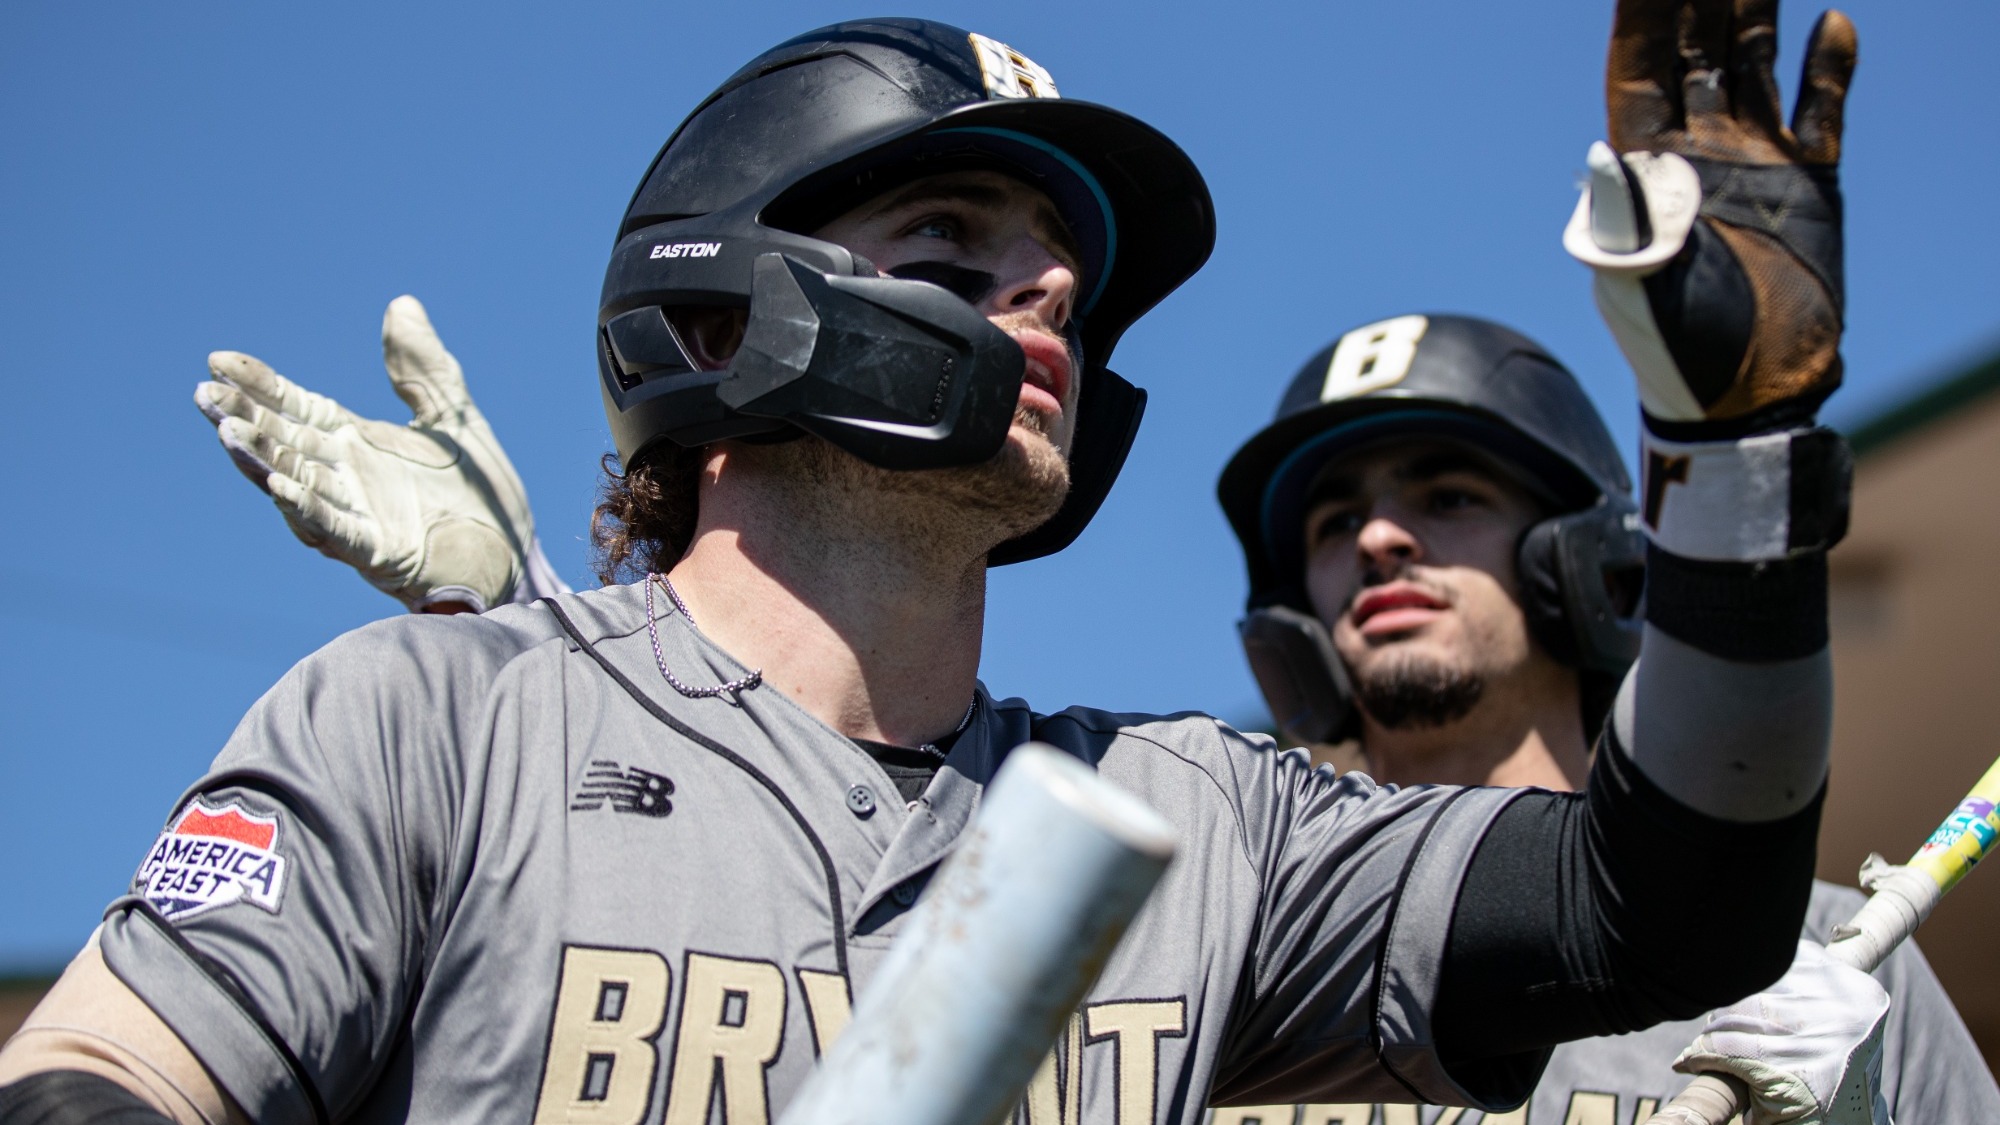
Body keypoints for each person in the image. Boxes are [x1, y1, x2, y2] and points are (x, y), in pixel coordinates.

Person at [0, 7, 1874, 1125]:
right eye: (954, 234)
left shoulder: (1202, 825)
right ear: (735, 303)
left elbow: (1672, 907)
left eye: (1065, 264)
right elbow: (103, 1081)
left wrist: (1734, 460)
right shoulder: (430, 718)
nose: (1050, 286)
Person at [1214, 313, 2000, 1124]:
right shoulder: (1243, 985)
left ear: (1584, 564)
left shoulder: (1824, 958)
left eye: (1448, 496)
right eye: (1335, 522)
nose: (1378, 537)